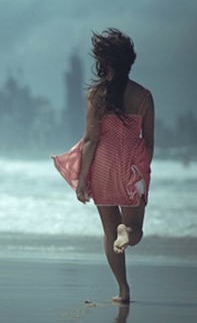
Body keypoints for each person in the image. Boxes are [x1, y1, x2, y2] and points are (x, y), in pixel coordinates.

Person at [53, 28, 154, 303]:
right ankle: (128, 233)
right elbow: (149, 142)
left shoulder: (96, 95)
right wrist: (144, 173)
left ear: (104, 61)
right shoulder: (144, 96)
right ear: (129, 61)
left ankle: (123, 290)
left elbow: (90, 139)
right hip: (132, 166)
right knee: (134, 230)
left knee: (109, 231)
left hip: (103, 166)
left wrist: (82, 179)